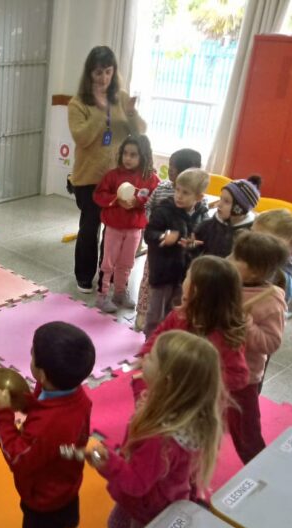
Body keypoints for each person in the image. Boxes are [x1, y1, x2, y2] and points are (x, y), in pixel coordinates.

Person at [87, 330, 224, 528]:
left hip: (148, 510)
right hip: (167, 497)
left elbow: (136, 484)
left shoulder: (160, 439)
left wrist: (106, 462)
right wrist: (141, 384)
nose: (146, 355)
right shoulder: (185, 410)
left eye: (152, 357)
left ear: (165, 380)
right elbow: (148, 402)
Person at [0, 322, 95, 528]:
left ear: (42, 373)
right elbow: (45, 403)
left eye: (32, 353)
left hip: (44, 498)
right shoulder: (75, 394)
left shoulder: (48, 425)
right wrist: (25, 402)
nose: (29, 354)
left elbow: (18, 458)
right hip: (63, 482)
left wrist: (2, 414)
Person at [141, 256, 251, 464]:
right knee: (162, 438)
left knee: (189, 454)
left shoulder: (226, 337)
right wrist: (146, 353)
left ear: (199, 292)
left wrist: (203, 381)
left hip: (197, 407)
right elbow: (159, 335)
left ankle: (186, 480)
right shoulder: (180, 315)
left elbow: (239, 376)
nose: (184, 281)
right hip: (170, 393)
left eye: (188, 277)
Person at [68, 46, 146, 294]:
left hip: (119, 179)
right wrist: (102, 113)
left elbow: (140, 131)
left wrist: (130, 112)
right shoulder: (78, 103)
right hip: (88, 178)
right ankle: (84, 276)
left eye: (108, 72)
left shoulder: (121, 98)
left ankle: (107, 275)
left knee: (114, 230)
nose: (103, 79)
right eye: (98, 73)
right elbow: (82, 138)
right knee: (90, 227)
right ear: (89, 73)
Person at [228, 232, 289, 462]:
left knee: (247, 434)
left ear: (255, 270)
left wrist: (246, 325)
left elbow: (272, 343)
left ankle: (259, 471)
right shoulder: (230, 282)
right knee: (198, 429)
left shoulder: (271, 301)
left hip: (244, 378)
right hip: (213, 370)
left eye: (236, 258)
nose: (230, 260)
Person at [136, 149, 203, 330]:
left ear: (198, 197)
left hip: (183, 274)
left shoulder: (201, 214)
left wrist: (194, 244)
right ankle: (149, 344)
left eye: (185, 193)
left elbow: (200, 241)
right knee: (155, 313)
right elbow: (150, 233)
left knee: (175, 313)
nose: (179, 196)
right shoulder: (164, 209)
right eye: (177, 191)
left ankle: (167, 343)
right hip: (162, 271)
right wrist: (163, 236)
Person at [93, 135, 159, 313]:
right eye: (126, 154)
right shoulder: (113, 176)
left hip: (135, 229)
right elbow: (99, 195)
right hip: (114, 227)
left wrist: (138, 203)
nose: (128, 158)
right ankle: (102, 295)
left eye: (134, 155)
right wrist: (116, 200)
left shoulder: (150, 178)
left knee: (127, 262)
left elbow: (154, 198)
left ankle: (120, 293)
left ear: (143, 156)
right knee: (108, 262)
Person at [194, 176, 260, 258]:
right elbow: (196, 247)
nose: (219, 204)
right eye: (221, 199)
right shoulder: (208, 225)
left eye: (226, 201)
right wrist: (191, 247)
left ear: (239, 208)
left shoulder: (250, 236)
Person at [252, 209, 292, 304]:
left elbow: (280, 307)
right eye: (252, 233)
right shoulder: (250, 257)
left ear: (285, 243)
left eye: (263, 238)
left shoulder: (283, 275)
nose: (253, 240)